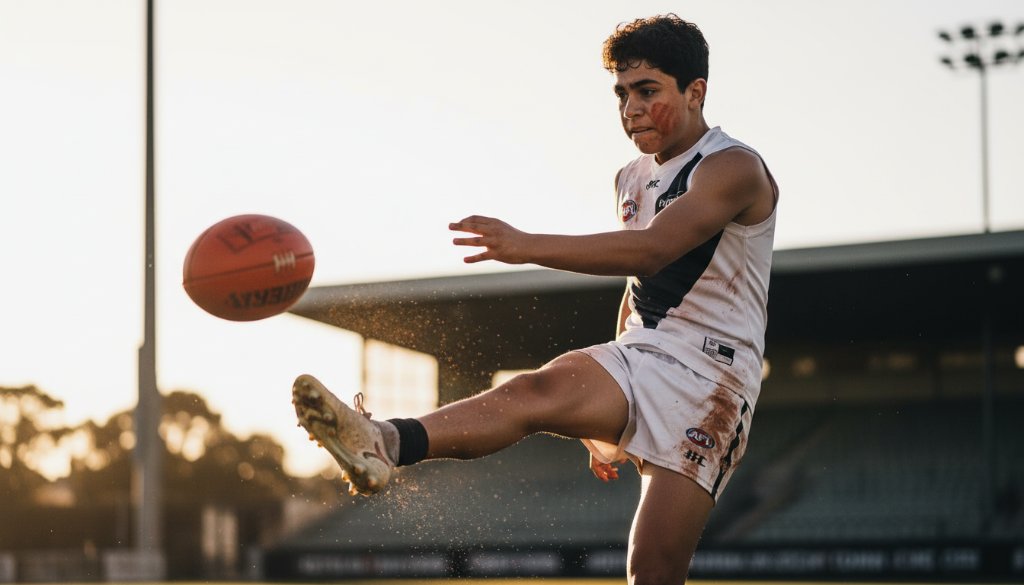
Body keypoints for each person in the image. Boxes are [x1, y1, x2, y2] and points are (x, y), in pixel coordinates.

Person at [292, 14, 778, 585]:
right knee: (534, 388)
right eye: (621, 94)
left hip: (713, 380)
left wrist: (523, 245)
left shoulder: (734, 167)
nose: (630, 109)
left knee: (652, 570)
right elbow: (640, 287)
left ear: (696, 91)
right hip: (644, 350)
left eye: (648, 91)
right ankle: (383, 440)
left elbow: (650, 251)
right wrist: (611, 404)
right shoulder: (630, 177)